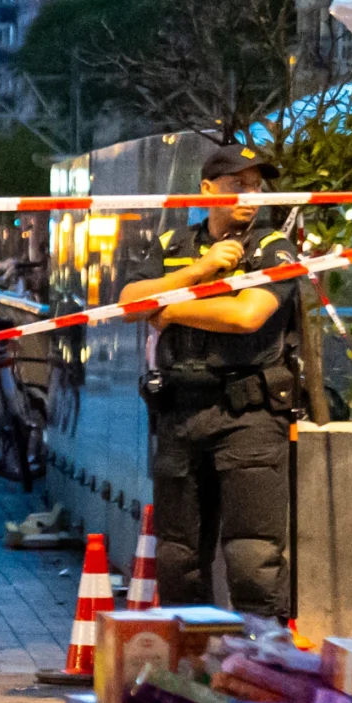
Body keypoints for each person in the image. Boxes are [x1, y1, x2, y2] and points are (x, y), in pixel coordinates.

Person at [123, 149, 304, 616]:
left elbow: (247, 315)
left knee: (252, 559)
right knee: (178, 560)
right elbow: (128, 301)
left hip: (249, 415)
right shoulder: (174, 245)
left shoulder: (272, 248)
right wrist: (199, 273)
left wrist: (169, 309)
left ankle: (260, 669)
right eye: (236, 184)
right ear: (206, 189)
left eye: (257, 186)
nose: (250, 195)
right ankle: (189, 672)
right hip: (180, 413)